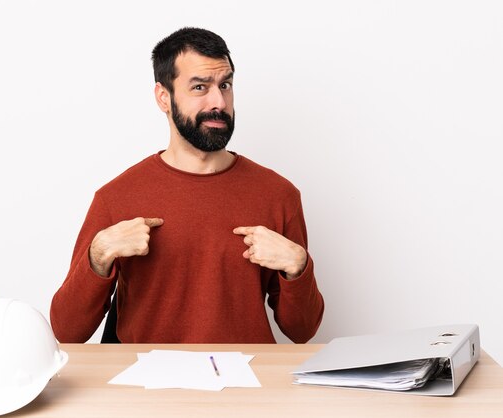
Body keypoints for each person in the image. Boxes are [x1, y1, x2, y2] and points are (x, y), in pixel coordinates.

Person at [50, 27, 324, 344]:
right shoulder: (116, 198)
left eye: (225, 85)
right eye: (199, 87)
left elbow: (302, 331)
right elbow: (67, 332)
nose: (218, 101)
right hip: (145, 383)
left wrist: (297, 266)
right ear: (163, 97)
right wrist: (97, 257)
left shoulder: (279, 195)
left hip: (247, 384)